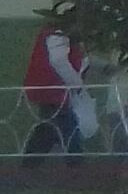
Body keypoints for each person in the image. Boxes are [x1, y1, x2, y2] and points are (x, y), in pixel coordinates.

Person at [22, 24, 98, 158]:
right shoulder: (57, 34)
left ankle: (31, 162)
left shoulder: (61, 35)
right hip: (53, 89)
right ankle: (74, 162)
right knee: (65, 127)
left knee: (51, 128)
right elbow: (59, 62)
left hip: (53, 91)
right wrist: (76, 84)